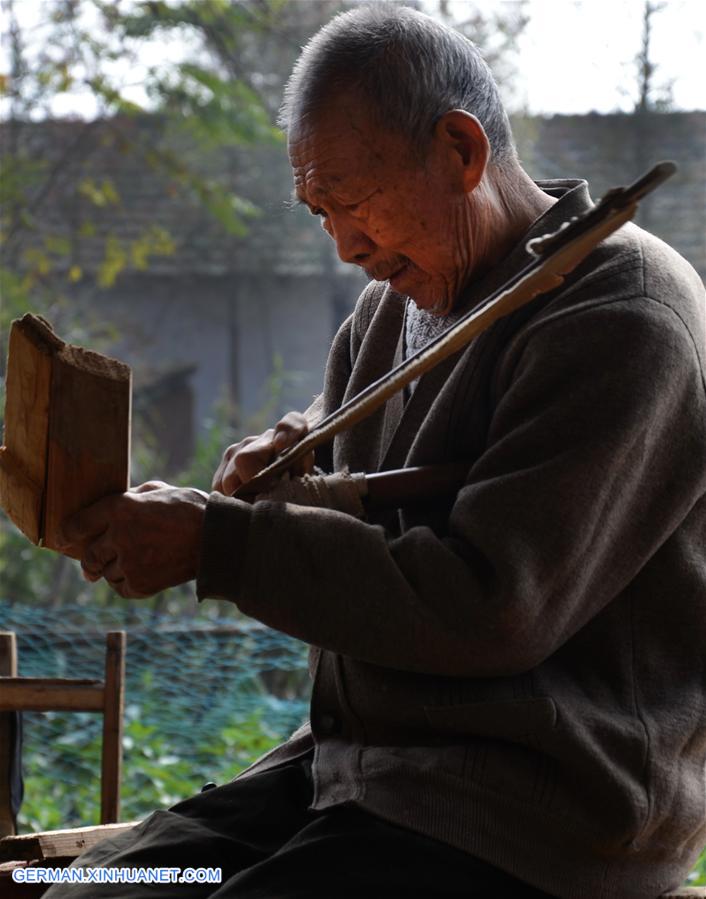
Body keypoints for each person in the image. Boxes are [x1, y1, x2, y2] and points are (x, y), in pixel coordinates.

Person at [48, 6, 706, 898]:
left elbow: (491, 606)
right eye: (321, 212)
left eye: (355, 202)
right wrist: (280, 464)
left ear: (461, 152)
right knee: (118, 887)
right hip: (361, 769)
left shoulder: (621, 312)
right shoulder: (394, 307)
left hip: (531, 808)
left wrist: (221, 544)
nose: (347, 247)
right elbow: (339, 453)